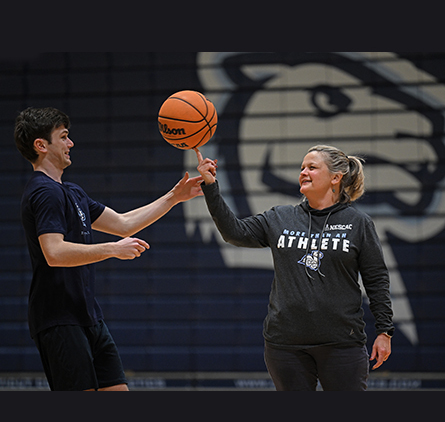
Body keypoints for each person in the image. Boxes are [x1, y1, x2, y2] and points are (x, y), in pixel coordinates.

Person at [15, 107, 204, 391]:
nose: (71, 143)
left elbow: (124, 224)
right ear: (41, 145)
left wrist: (174, 197)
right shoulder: (44, 191)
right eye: (64, 137)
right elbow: (53, 252)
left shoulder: (72, 192)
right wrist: (113, 250)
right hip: (59, 318)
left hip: (88, 315)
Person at [195, 144, 394, 391]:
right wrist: (211, 187)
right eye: (302, 167)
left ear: (335, 177)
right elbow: (234, 233)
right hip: (285, 345)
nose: (303, 172)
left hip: (342, 343)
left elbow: (376, 279)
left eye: (312, 167)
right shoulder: (280, 217)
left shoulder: (358, 223)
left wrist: (385, 331)